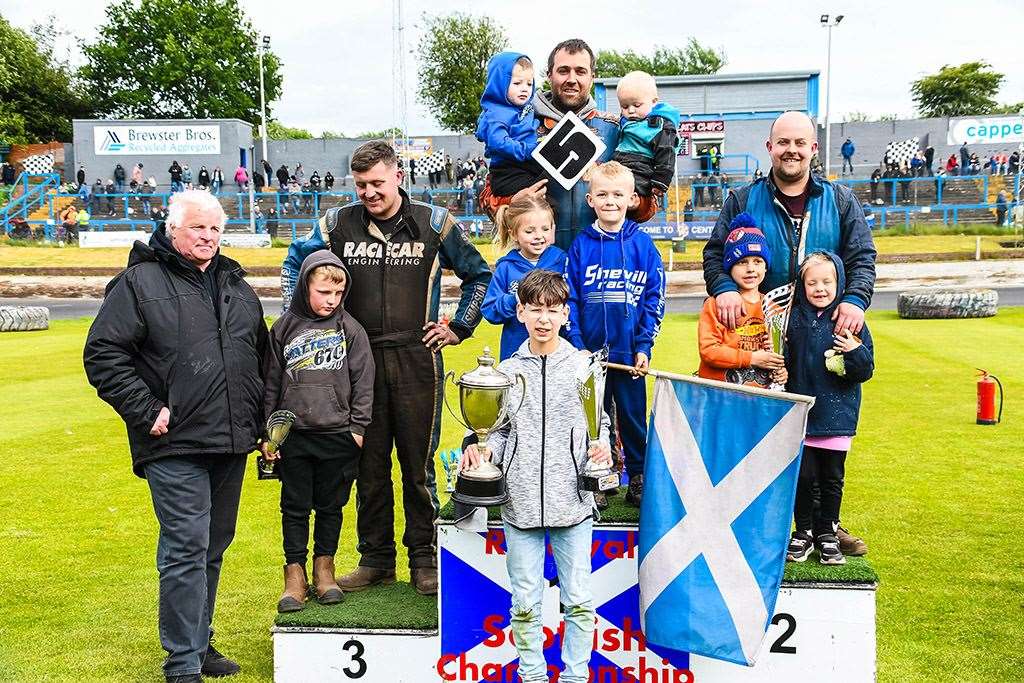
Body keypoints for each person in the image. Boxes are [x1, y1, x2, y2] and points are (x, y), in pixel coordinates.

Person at [280, 140, 491, 595]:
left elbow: (480, 276)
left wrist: (460, 327)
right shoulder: (336, 223)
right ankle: (376, 558)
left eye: (377, 183)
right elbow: (295, 263)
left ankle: (424, 558)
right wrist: (300, 319)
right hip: (354, 363)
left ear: (398, 176)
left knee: (418, 466)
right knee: (365, 464)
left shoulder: (434, 222)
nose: (369, 193)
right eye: (360, 185)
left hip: (418, 357)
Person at [84, 190, 268, 682]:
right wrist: (146, 410)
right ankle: (183, 664)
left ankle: (199, 644)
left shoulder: (236, 286)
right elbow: (103, 354)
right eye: (197, 228)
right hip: (172, 442)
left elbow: (260, 360)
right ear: (172, 230)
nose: (208, 236)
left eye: (215, 228)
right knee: (186, 547)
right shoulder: (139, 282)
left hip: (230, 440)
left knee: (212, 547)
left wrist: (262, 425)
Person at [460, 269, 611, 683]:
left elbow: (599, 423)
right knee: (525, 603)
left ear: (566, 314)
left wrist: (601, 446)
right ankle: (532, 676)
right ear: (520, 312)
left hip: (572, 503)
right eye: (534, 309)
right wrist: (484, 448)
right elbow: (499, 430)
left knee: (578, 601)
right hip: (520, 502)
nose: (544, 318)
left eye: (552, 310)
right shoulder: (507, 372)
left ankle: (576, 676)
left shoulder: (584, 366)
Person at [262, 250, 374, 613]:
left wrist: (357, 429)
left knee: (331, 507)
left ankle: (325, 571)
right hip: (294, 437)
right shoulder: (283, 328)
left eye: (338, 293)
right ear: (304, 287)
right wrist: (270, 433)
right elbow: (270, 383)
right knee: (294, 508)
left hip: (338, 435)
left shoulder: (350, 330)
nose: (332, 300)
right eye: (324, 292)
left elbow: (364, 383)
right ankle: (294, 576)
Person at [703, 111, 876, 337]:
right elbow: (715, 254)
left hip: (822, 332)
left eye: (800, 143)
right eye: (783, 142)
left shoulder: (841, 200)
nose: (791, 150)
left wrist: (855, 299)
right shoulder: (742, 200)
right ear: (770, 147)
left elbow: (862, 258)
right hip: (757, 333)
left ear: (813, 148)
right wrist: (724, 288)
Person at [566, 162, 665, 507]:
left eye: (618, 194)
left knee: (633, 418)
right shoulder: (581, 246)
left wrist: (644, 346)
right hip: (589, 357)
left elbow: (654, 298)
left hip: (629, 355)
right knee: (592, 419)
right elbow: (570, 300)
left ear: (632, 199)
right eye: (603, 194)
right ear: (590, 199)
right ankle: (599, 476)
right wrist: (578, 346)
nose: (610, 201)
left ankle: (638, 476)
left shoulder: (643, 245)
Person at [480, 39, 621, 250]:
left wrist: (636, 202)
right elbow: (486, 197)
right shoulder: (520, 123)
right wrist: (512, 201)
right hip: (540, 261)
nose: (571, 79)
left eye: (580, 71)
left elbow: (642, 200)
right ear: (549, 75)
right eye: (563, 71)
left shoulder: (613, 128)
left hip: (601, 256)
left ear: (592, 77)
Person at [784, 252, 874, 566]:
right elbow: (785, 360)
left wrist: (855, 351)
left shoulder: (850, 322)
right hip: (802, 416)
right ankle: (803, 531)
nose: (820, 288)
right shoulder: (793, 320)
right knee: (804, 477)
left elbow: (866, 370)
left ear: (839, 283)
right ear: (802, 285)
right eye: (812, 283)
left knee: (832, 479)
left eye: (826, 281)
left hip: (837, 417)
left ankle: (827, 532)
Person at [698, 213, 786, 389]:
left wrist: (781, 371)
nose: (751, 269)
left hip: (757, 398)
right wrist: (752, 358)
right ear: (729, 266)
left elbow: (777, 356)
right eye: (742, 262)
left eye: (758, 261)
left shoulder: (775, 309)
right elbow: (708, 351)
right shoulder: (715, 304)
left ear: (766, 266)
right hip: (718, 395)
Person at [483, 194, 567, 360]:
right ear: (514, 234)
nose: (539, 236)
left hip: (556, 355)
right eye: (529, 231)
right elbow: (490, 311)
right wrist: (516, 298)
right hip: (516, 355)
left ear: (553, 229)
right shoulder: (506, 267)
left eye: (545, 229)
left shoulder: (562, 261)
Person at [611, 70, 680, 219]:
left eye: (637, 105)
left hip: (641, 169)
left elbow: (666, 153)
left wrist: (660, 181)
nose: (630, 111)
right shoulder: (625, 122)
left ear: (654, 102)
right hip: (619, 164)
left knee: (625, 194)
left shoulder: (659, 126)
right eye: (624, 106)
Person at [476, 51, 543, 197]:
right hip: (508, 171)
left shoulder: (526, 109)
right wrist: (529, 149)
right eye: (517, 83)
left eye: (529, 84)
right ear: (499, 84)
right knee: (540, 199)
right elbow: (499, 143)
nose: (524, 88)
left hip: (526, 166)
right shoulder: (496, 114)